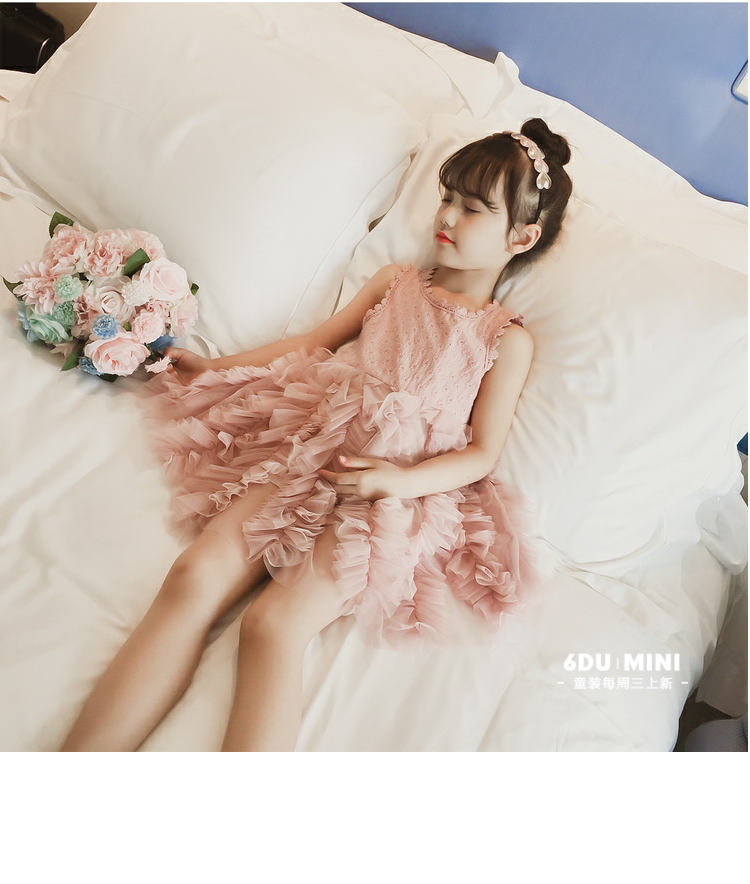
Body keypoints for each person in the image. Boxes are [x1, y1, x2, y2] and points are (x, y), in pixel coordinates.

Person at [62, 118, 573, 752]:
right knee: (194, 574)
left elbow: (481, 453)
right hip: (314, 445)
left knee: (273, 626)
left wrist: (399, 482)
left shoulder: (504, 337)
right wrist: (216, 368)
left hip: (391, 494)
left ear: (521, 236)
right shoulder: (397, 284)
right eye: (446, 197)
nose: (446, 215)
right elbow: (312, 344)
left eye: (472, 209)